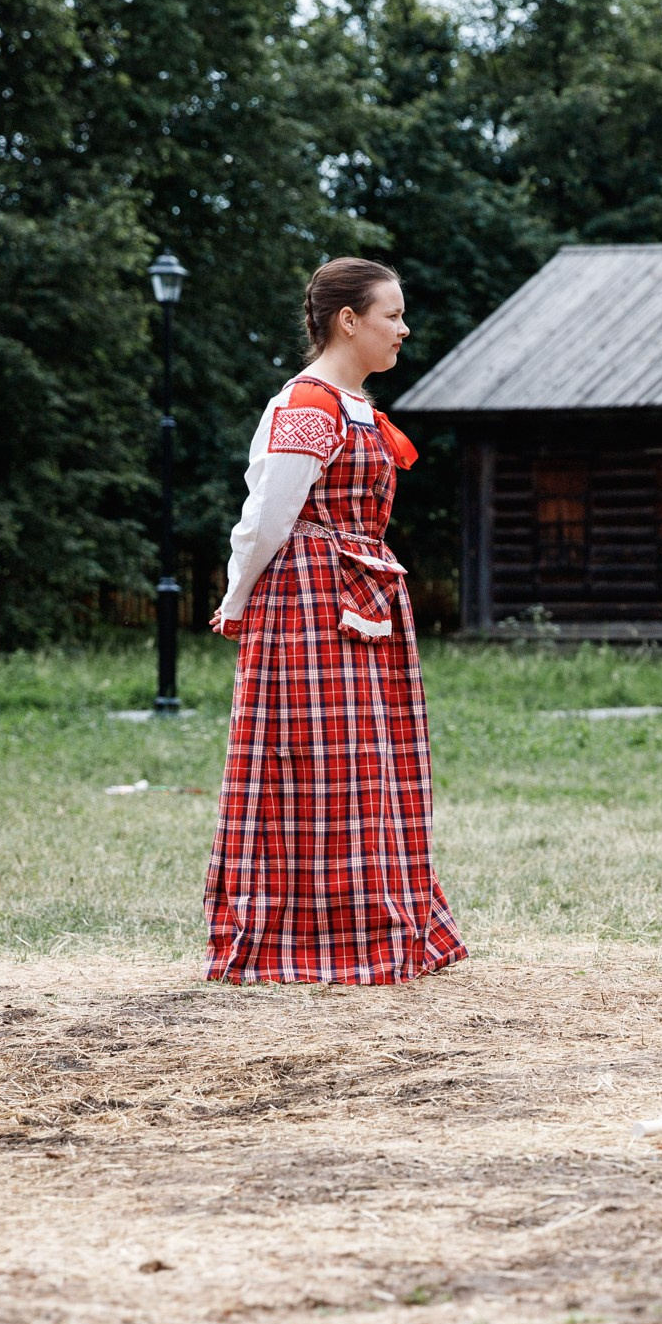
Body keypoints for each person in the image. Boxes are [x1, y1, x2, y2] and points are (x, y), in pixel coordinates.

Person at [199, 258, 466, 984]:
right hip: (312, 602)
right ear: (349, 320)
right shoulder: (310, 404)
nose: (404, 328)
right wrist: (236, 599)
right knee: (313, 768)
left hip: (361, 598)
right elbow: (265, 517)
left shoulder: (351, 407)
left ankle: (374, 923)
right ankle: (310, 935)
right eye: (392, 314)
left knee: (368, 768)